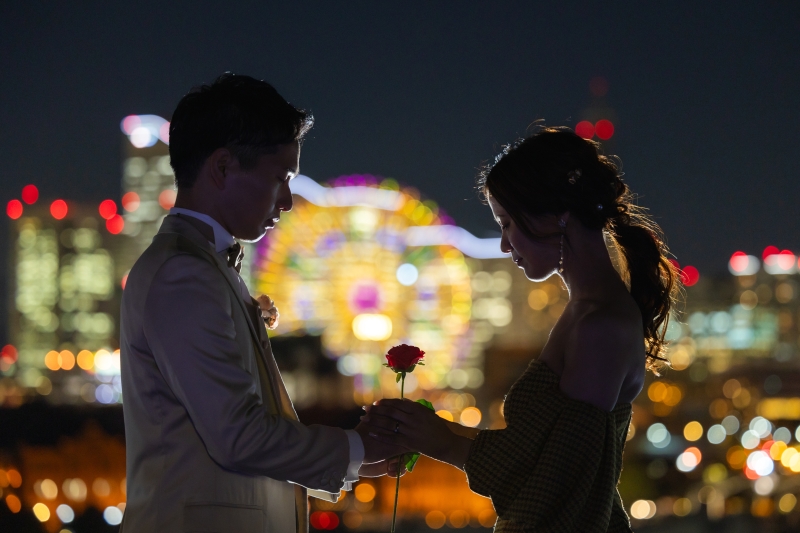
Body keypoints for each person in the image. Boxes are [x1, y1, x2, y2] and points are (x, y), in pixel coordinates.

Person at [119, 73, 406, 533]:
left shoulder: (208, 268)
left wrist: (356, 462)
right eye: (281, 177)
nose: (289, 200)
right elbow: (239, 436)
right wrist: (358, 449)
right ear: (223, 167)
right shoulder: (184, 274)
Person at [362, 126, 680, 532]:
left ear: (559, 214)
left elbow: (554, 482)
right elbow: (533, 453)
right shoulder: (589, 313)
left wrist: (436, 438)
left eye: (508, 223)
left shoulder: (601, 325)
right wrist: (420, 429)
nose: (503, 244)